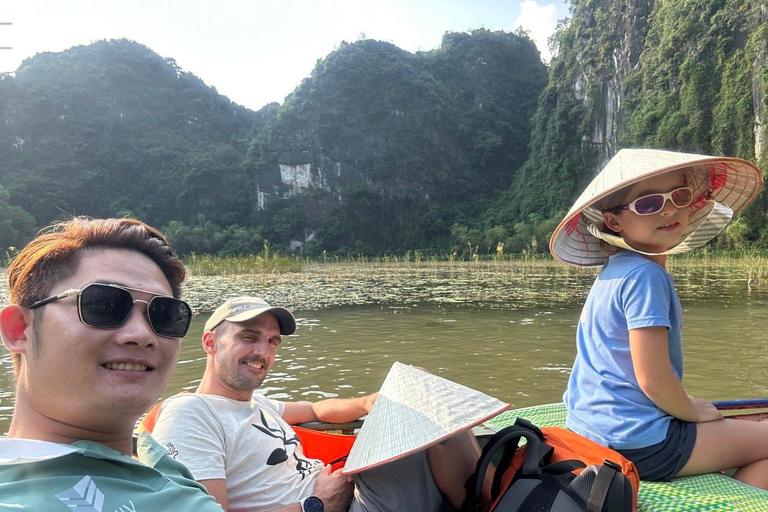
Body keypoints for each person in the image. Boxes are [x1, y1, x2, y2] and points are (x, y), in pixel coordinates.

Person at [549, 149, 768, 487]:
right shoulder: (645, 276)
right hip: (640, 443)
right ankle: (735, 500)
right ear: (614, 221)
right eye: (648, 203)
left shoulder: (617, 270)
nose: (668, 209)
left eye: (679, 197)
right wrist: (695, 412)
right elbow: (652, 379)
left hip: (594, 428)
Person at [151, 296, 482, 512]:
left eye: (272, 342)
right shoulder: (190, 413)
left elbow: (315, 410)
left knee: (414, 385)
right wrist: (317, 503)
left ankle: (493, 496)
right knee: (426, 407)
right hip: (331, 506)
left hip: (346, 494)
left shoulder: (257, 404)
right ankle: (494, 499)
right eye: (249, 337)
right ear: (210, 343)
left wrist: (370, 402)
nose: (263, 353)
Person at [0, 217, 224, 511]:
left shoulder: (153, 454)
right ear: (20, 330)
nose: (142, 335)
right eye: (103, 305)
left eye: (165, 315)